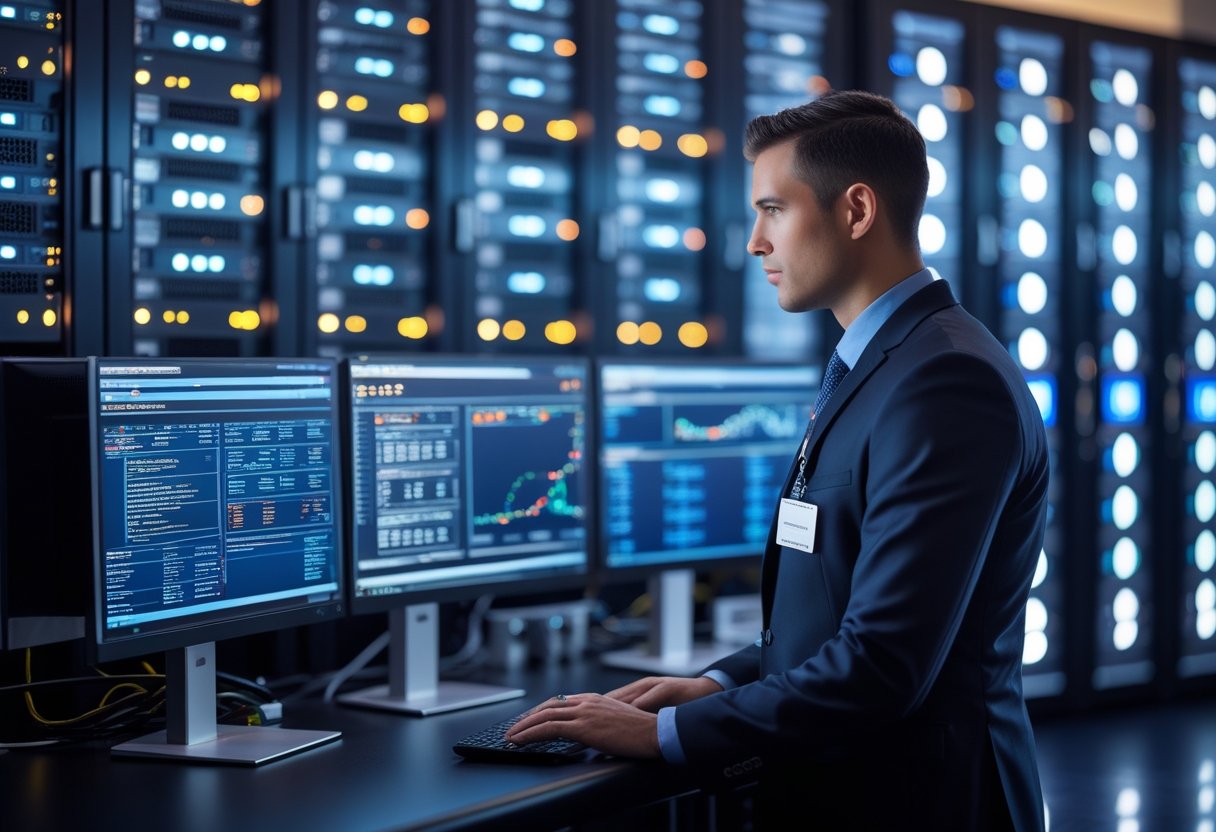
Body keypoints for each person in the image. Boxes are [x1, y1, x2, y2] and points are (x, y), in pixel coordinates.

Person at [507, 89, 1049, 831]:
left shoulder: (946, 381)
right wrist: (720, 682)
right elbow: (836, 605)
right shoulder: (883, 364)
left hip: (920, 804)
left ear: (855, 211)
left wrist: (663, 735)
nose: (755, 243)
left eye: (773, 210)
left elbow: (884, 665)